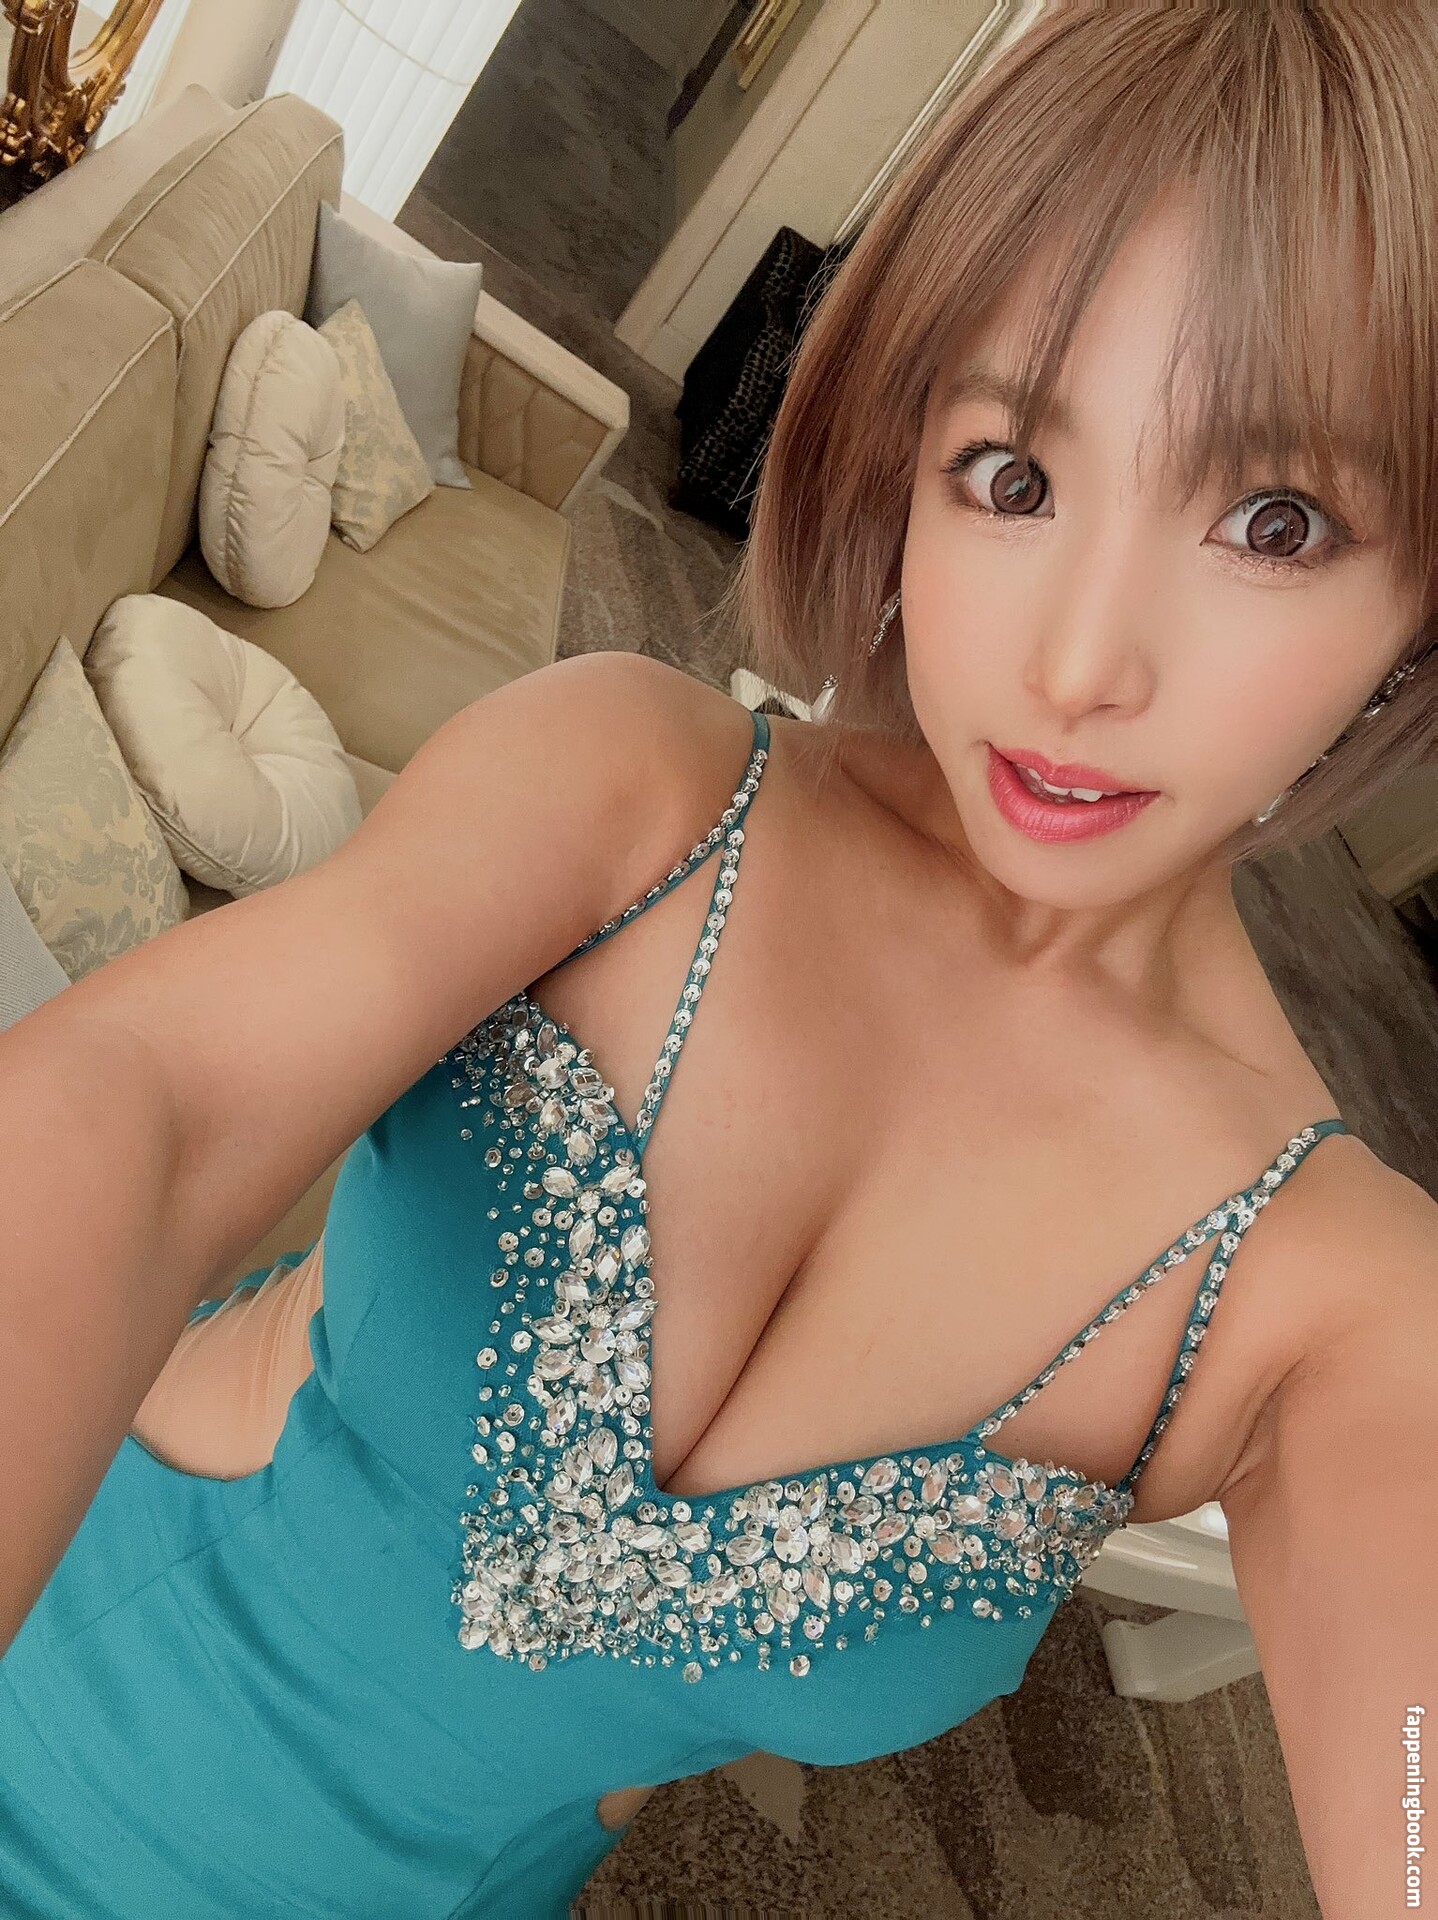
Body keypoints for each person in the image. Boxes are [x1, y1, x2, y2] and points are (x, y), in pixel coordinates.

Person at [2, 5, 1435, 1915]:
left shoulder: (1334, 1298)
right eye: (1011, 472)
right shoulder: (636, 791)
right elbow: (143, 1107)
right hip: (68, 1672)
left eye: (1273, 521)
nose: (1080, 664)